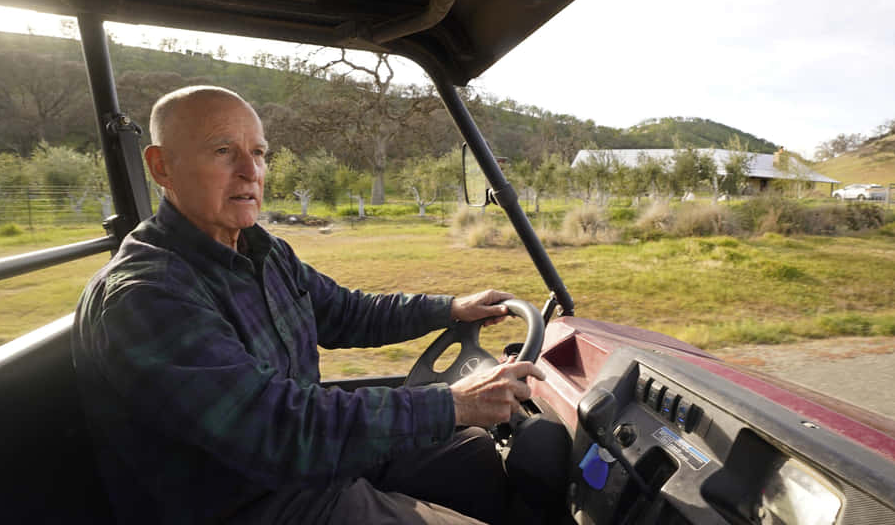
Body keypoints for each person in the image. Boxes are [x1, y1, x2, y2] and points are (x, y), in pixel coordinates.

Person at [72, 85, 545, 525]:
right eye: (223, 151)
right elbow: (277, 430)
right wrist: (452, 403)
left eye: (258, 153)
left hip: (308, 464)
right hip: (250, 503)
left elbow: (344, 311)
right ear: (161, 167)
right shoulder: (146, 295)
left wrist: (450, 308)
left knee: (475, 458)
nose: (249, 171)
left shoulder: (262, 251)